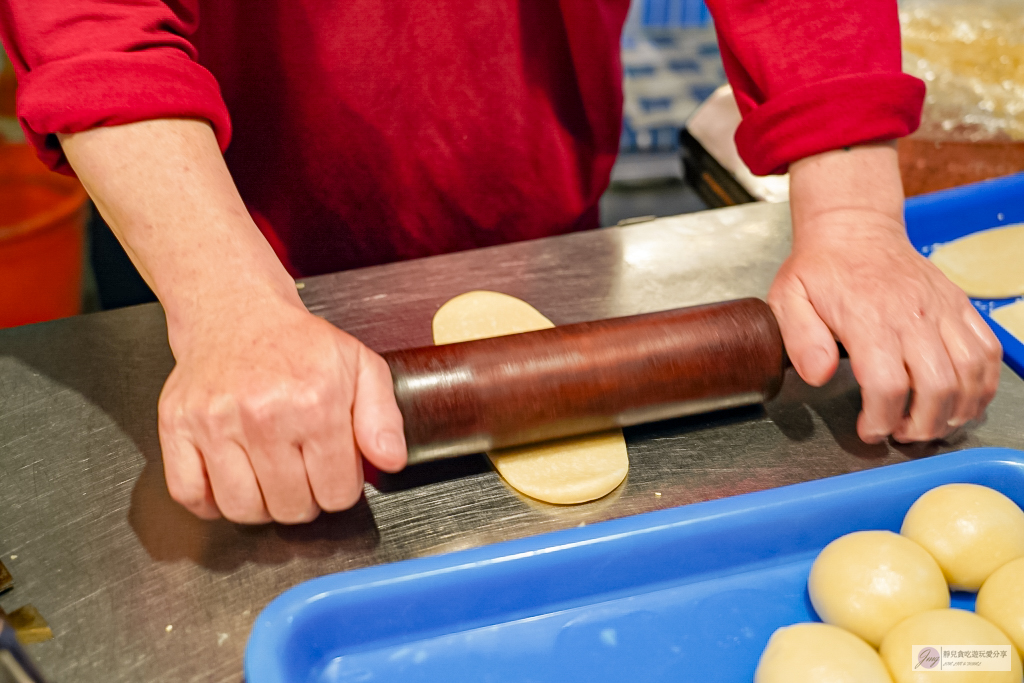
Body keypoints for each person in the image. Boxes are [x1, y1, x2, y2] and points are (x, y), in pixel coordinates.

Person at [0, 1, 1001, 525]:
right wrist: (226, 304)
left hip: (536, 207)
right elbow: (97, 22)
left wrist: (858, 216)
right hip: (206, 231)